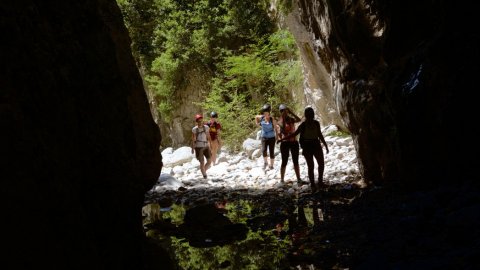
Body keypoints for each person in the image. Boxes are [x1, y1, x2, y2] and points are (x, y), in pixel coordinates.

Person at [279, 106, 329, 192]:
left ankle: (317, 182)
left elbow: (319, 134)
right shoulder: (304, 125)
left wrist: (325, 144)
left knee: (316, 164)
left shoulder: (315, 123)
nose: (310, 116)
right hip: (309, 145)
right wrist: (282, 139)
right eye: (310, 114)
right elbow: (293, 133)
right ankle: (315, 183)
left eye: (311, 114)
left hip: (311, 145)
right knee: (314, 165)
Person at [276, 104, 302, 184]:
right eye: (283, 111)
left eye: (286, 110)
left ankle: (298, 178)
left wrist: (291, 112)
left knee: (295, 160)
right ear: (280, 112)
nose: (285, 112)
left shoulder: (291, 119)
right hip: (285, 143)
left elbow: (299, 119)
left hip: (294, 142)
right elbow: (283, 128)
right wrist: (283, 118)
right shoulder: (279, 121)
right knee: (284, 161)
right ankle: (282, 179)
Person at [255, 104, 278, 170]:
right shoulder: (262, 118)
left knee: (271, 151)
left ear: (269, 113)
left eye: (266, 113)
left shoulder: (272, 119)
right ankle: (265, 162)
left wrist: (277, 137)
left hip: (271, 137)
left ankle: (271, 165)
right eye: (264, 113)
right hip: (264, 137)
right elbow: (256, 117)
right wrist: (258, 124)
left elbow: (276, 128)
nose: (265, 114)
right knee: (264, 150)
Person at [191, 114, 212, 179]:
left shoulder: (206, 127)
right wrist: (192, 148)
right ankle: (204, 175)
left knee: (209, 161)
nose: (200, 122)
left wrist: (210, 145)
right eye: (199, 121)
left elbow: (208, 136)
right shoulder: (194, 129)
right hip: (198, 147)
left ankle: (203, 171)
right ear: (196, 122)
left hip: (206, 146)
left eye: (201, 121)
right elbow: (193, 139)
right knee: (202, 162)